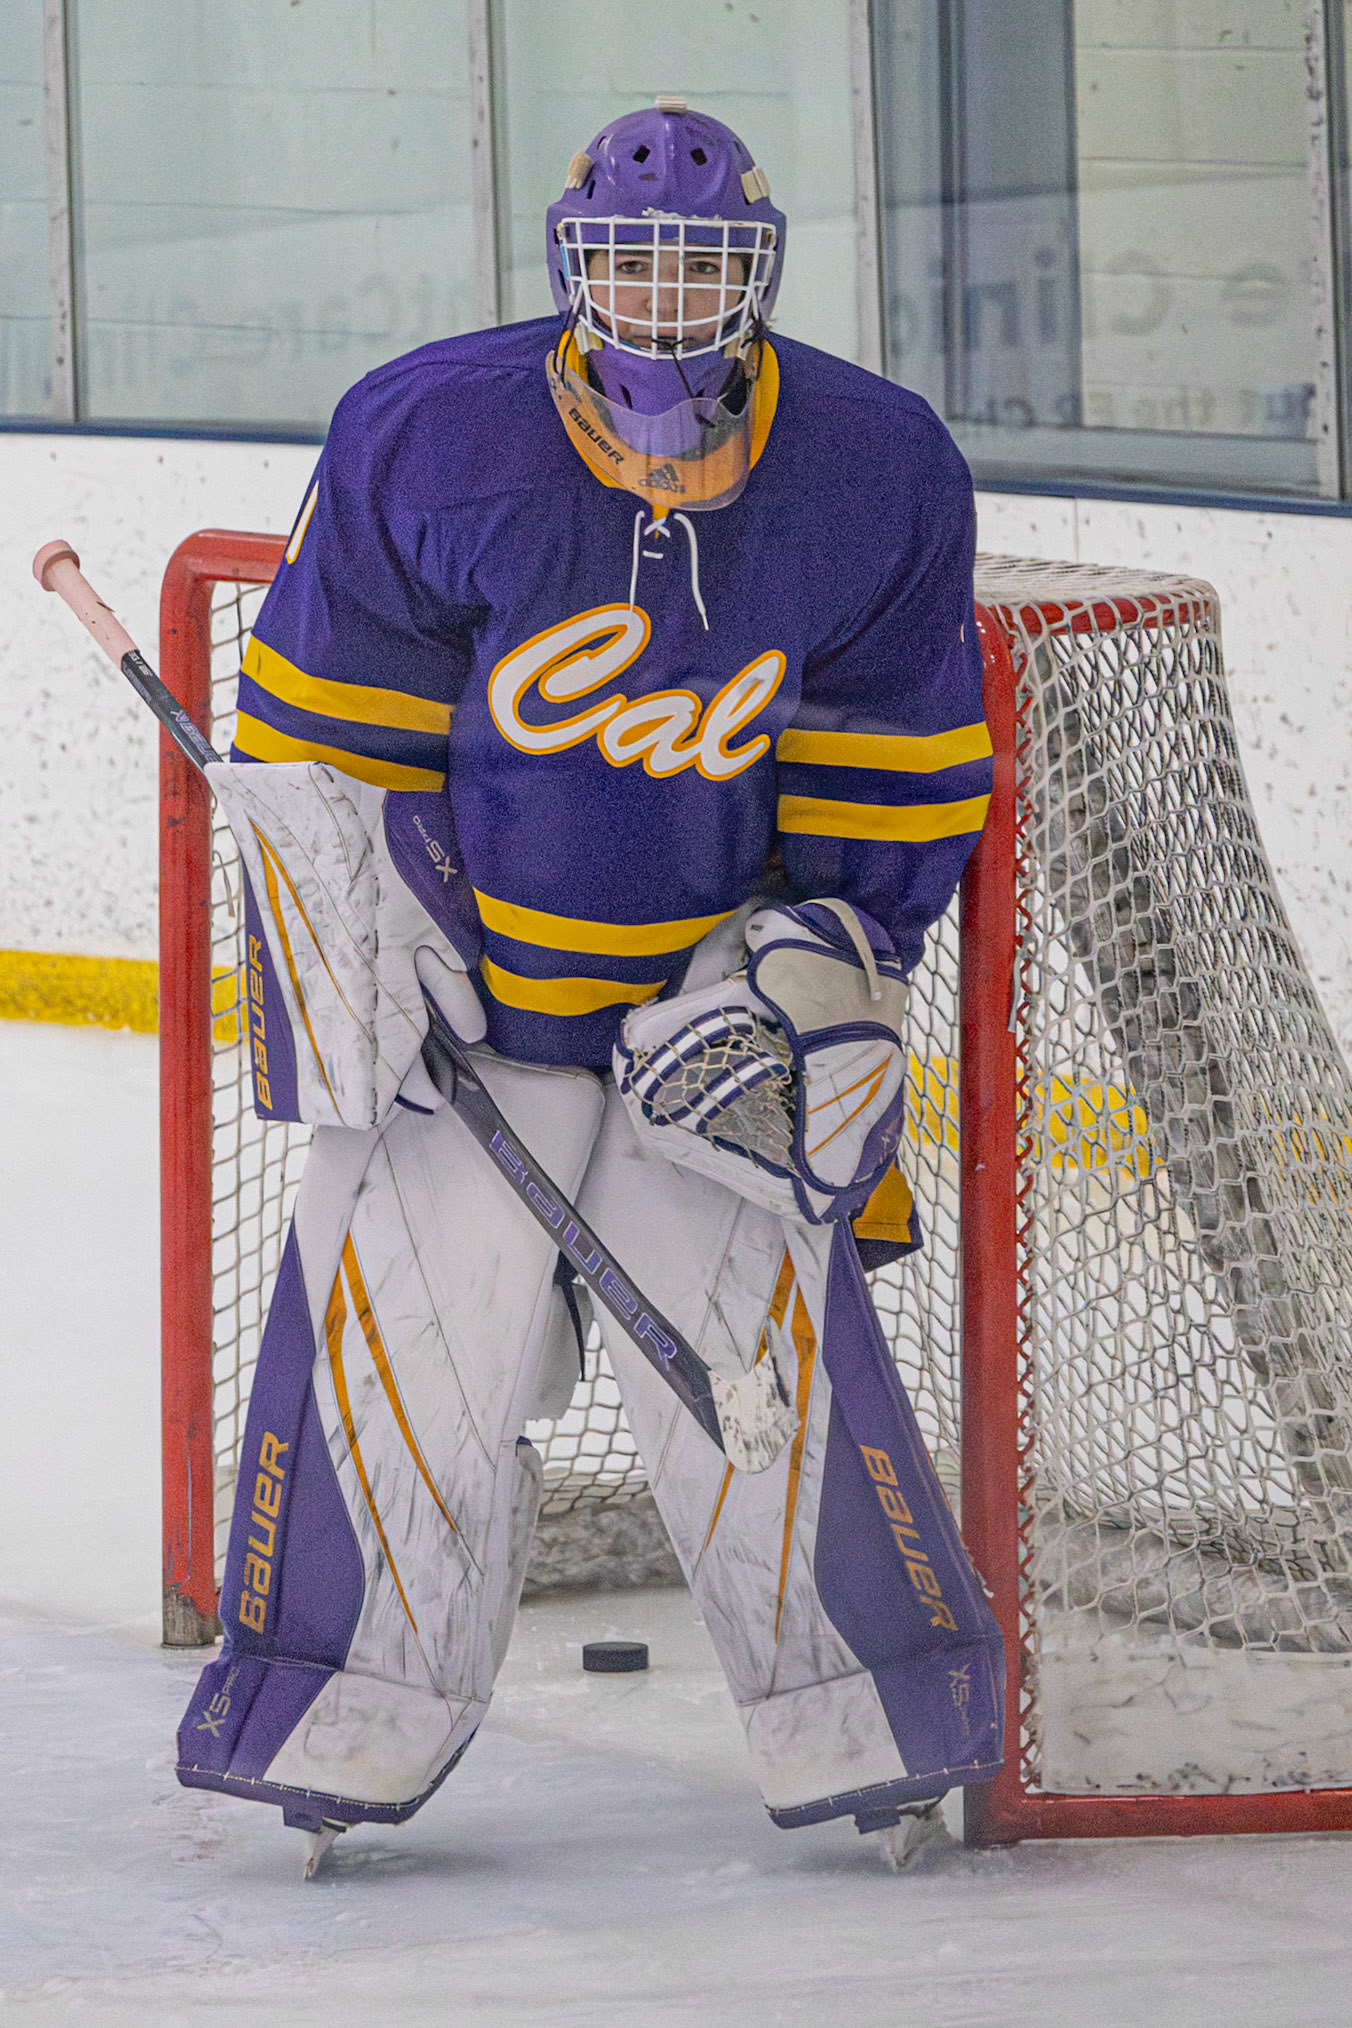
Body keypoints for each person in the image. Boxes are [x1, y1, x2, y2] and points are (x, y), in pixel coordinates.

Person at [176, 97, 1005, 1874]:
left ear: (757, 275)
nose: (659, 292)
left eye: (697, 262)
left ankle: (874, 1719)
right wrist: (367, 936)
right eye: (628, 255)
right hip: (469, 1012)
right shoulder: (428, 432)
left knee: (766, 1375)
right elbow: (327, 743)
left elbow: (892, 761)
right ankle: (334, 1714)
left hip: (702, 1032)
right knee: (389, 1347)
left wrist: (814, 967)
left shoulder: (878, 466)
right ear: (568, 261)